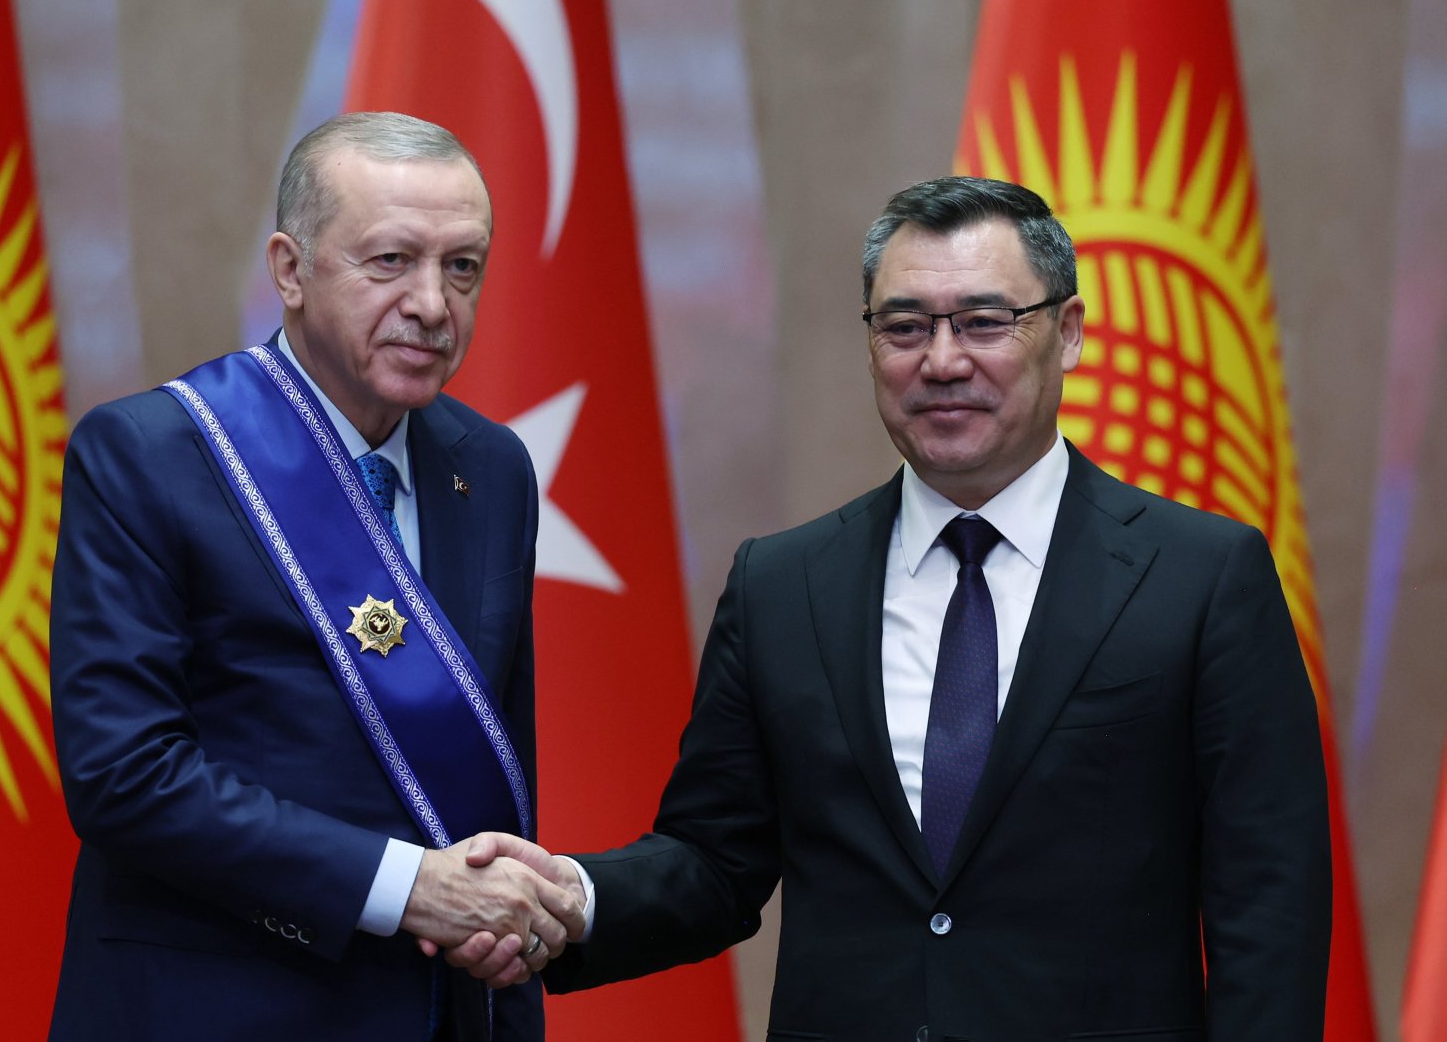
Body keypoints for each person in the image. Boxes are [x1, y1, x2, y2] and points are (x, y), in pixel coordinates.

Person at [452, 176, 1333, 1039]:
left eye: (986, 322)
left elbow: (1271, 900)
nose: (942, 361)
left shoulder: (1203, 577)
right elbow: (716, 862)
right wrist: (572, 897)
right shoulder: (783, 585)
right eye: (906, 327)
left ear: (1066, 333)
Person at [48, 112, 581, 1042]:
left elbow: (493, 762)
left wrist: (504, 930)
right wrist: (409, 888)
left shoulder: (490, 467)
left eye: (463, 267)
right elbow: (124, 773)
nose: (431, 302)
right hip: (218, 1007)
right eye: (390, 262)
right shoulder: (148, 454)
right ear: (290, 270)